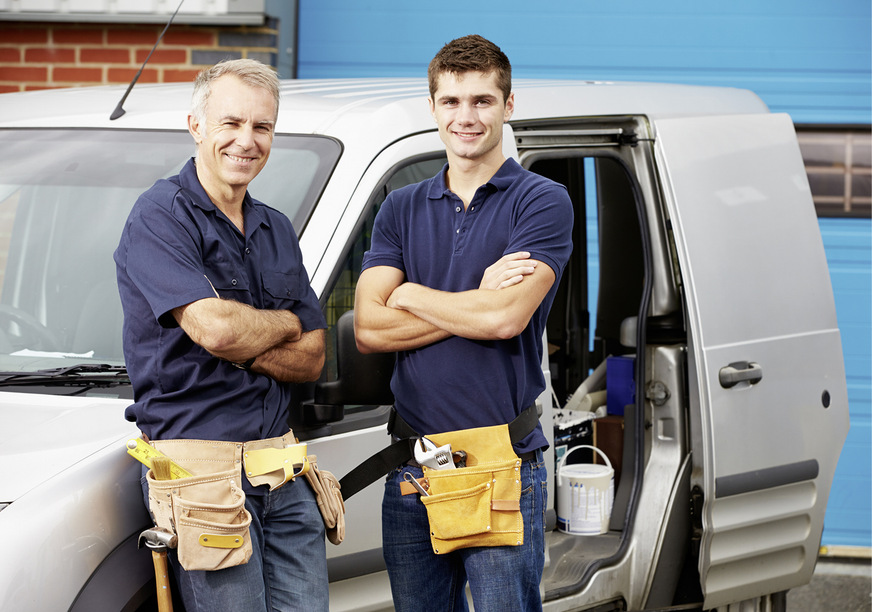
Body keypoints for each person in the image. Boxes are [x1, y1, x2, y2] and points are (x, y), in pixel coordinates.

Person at [353, 35, 573, 612]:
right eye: (451, 102)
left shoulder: (541, 201)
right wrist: (472, 298)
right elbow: (369, 330)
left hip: (502, 460)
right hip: (414, 467)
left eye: (481, 100)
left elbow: (504, 318)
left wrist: (410, 292)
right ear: (432, 108)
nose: (465, 117)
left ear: (508, 104)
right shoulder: (400, 207)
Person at [114, 59, 329, 611]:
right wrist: (282, 323)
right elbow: (216, 331)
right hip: (200, 475)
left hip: (280, 468)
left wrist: (246, 333)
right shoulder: (159, 216)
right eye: (230, 123)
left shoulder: (275, 227)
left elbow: (312, 358)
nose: (246, 141)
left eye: (262, 127)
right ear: (196, 126)